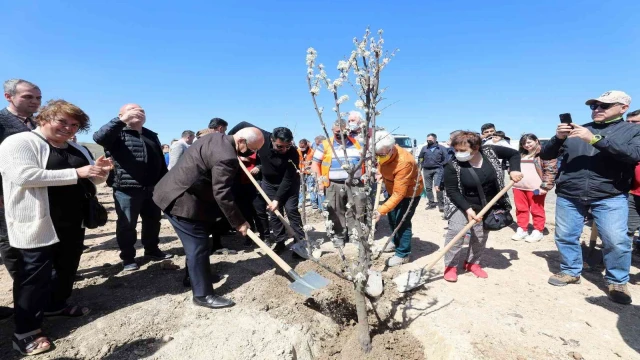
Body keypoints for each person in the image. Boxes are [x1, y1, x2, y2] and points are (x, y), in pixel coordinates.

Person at [0, 100, 112, 356]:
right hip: (36, 221)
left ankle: (55, 305)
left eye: (75, 125)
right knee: (33, 276)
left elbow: (90, 179)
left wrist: (100, 172)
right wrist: (78, 173)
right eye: (62, 121)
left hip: (72, 220)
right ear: (44, 118)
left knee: (66, 268)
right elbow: (23, 176)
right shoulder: (19, 142)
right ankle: (25, 331)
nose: (69, 128)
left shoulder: (75, 147)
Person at [539, 90, 639, 305]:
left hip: (609, 195)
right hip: (570, 193)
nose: (597, 109)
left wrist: (595, 139)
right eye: (594, 106)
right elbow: (546, 155)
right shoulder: (579, 130)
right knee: (566, 235)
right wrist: (558, 138)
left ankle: (617, 281)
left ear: (623, 108)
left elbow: (634, 155)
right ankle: (570, 270)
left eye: (604, 106)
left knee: (616, 240)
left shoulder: (632, 131)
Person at [153, 127, 263, 309]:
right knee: (198, 246)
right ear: (241, 141)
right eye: (252, 149)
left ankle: (193, 276)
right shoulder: (227, 157)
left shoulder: (216, 138)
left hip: (176, 192)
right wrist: (239, 222)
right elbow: (222, 193)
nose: (253, 153)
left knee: (199, 242)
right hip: (181, 201)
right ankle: (203, 295)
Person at [93, 104, 172, 271]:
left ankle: (152, 249)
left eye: (142, 110)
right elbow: (99, 137)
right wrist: (122, 121)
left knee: (153, 221)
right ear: (121, 115)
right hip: (126, 188)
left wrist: (165, 183)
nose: (139, 113)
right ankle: (128, 257)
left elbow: (159, 161)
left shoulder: (151, 135)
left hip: (152, 188)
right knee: (127, 224)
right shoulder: (116, 133)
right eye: (132, 110)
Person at [442, 131, 522, 282]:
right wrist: (468, 209)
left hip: (488, 203)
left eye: (462, 150)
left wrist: (515, 169)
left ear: (476, 147)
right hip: (460, 203)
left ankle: (472, 263)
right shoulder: (452, 165)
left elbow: (514, 154)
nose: (458, 153)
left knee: (480, 235)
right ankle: (450, 266)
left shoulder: (490, 151)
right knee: (456, 231)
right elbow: (452, 191)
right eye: (456, 150)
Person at [0, 79, 42, 320]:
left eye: (37, 98)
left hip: (38, 193)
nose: (35, 102)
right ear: (9, 97)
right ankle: (25, 290)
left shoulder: (38, 124)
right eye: (28, 97)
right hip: (7, 197)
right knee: (12, 242)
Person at [228, 122, 304, 253]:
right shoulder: (262, 137)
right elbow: (243, 124)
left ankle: (301, 242)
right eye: (280, 146)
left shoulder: (292, 153)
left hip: (289, 184)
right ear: (272, 140)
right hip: (268, 183)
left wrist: (277, 199)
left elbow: (288, 178)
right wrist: (227, 139)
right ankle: (280, 241)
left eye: (288, 146)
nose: (284, 150)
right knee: (274, 214)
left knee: (291, 210)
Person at [312, 119, 366, 247]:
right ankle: (339, 235)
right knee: (335, 209)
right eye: (338, 132)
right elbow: (315, 163)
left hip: (355, 183)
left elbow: (367, 160)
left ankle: (355, 234)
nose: (341, 134)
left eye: (344, 131)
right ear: (332, 131)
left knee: (357, 208)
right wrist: (319, 180)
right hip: (333, 183)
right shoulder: (325, 145)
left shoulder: (358, 143)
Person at [373, 131, 424, 266]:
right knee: (392, 217)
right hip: (392, 188)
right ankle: (396, 242)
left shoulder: (404, 161)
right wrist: (380, 173)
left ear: (391, 149)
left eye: (381, 155)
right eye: (376, 154)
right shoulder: (383, 152)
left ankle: (403, 254)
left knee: (402, 221)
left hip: (409, 193)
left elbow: (399, 194)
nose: (378, 158)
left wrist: (380, 210)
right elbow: (381, 163)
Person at [511, 134, 557, 242]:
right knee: (521, 209)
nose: (526, 145)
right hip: (518, 187)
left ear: (536, 141)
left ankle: (538, 231)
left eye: (529, 142)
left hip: (536, 188)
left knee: (537, 209)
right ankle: (522, 229)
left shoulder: (544, 154)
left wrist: (545, 186)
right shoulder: (519, 155)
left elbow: (551, 170)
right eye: (523, 143)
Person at [417, 133, 446, 211]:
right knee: (428, 188)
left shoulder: (442, 148)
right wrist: (419, 166)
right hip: (426, 170)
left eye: (430, 139)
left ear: (435, 139)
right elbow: (420, 158)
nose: (428, 140)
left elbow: (446, 159)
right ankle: (431, 203)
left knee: (438, 187)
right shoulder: (424, 148)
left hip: (438, 169)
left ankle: (441, 204)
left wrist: (443, 167)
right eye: (427, 139)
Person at [626, 109, 640, 254]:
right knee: (627, 229)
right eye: (627, 122)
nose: (630, 125)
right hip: (633, 194)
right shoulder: (626, 142)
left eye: (634, 122)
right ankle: (621, 259)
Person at [297, 138, 317, 210]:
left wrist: (310, 168)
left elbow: (315, 162)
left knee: (311, 187)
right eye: (300, 147)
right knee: (302, 188)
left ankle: (313, 202)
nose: (301, 148)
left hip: (309, 172)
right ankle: (301, 202)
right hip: (301, 172)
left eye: (303, 147)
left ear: (306, 145)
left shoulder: (312, 151)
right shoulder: (297, 151)